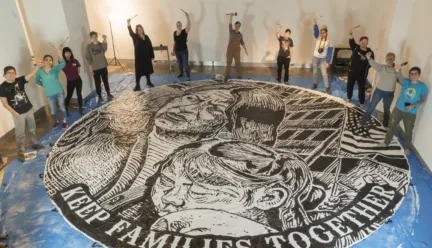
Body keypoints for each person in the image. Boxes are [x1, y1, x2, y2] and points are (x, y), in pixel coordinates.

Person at [379, 66, 428, 156]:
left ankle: (406, 147)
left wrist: (413, 106)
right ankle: (386, 142)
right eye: (411, 73)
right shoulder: (406, 81)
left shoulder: (422, 86)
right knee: (392, 125)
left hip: (411, 112)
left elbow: (423, 99)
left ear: (419, 75)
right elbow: (400, 78)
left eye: (415, 74)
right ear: (409, 75)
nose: (413, 75)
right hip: (398, 109)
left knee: (408, 131)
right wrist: (398, 71)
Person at [0, 63, 45, 162]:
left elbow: (31, 73)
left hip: (29, 109)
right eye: (9, 73)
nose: (11, 74)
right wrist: (15, 113)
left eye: (13, 72)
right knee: (20, 134)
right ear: (4, 75)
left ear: (15, 74)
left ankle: (34, 143)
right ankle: (20, 152)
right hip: (18, 114)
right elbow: (4, 103)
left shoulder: (20, 80)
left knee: (32, 128)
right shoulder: (2, 87)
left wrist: (37, 66)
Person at [361, 52, 398, 127]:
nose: (389, 60)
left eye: (391, 58)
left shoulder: (396, 70)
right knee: (371, 106)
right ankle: (363, 122)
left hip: (390, 93)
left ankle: (385, 124)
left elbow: (400, 79)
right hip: (379, 91)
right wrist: (369, 58)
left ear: (394, 59)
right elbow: (374, 64)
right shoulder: (382, 67)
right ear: (385, 60)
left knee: (386, 109)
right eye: (388, 59)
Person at [36, 50, 68, 128]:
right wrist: (45, 85)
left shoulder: (55, 69)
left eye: (50, 60)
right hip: (49, 93)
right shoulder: (40, 71)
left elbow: (63, 64)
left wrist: (60, 55)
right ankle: (57, 121)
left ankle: (64, 121)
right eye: (46, 60)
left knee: (62, 107)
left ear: (52, 62)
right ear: (43, 61)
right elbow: (37, 81)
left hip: (59, 91)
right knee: (53, 110)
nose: (48, 61)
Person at [347, 29, 374, 108]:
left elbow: (371, 64)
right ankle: (349, 98)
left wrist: (368, 59)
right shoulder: (356, 48)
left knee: (361, 88)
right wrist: (351, 33)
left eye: (365, 41)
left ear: (367, 43)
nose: (363, 43)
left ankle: (361, 102)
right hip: (352, 72)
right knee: (350, 85)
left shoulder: (370, 52)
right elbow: (351, 42)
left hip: (362, 74)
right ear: (360, 42)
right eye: (362, 41)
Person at [127, 19, 155, 91]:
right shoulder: (135, 37)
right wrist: (128, 24)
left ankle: (148, 82)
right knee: (138, 71)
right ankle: (137, 85)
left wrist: (152, 56)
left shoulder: (147, 37)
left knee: (147, 70)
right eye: (138, 29)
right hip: (139, 58)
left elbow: (150, 46)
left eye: (141, 29)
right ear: (137, 30)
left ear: (143, 29)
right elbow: (130, 32)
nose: (140, 30)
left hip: (147, 57)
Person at [86, 31, 114, 102]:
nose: (94, 38)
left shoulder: (101, 45)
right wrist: (90, 69)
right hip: (95, 68)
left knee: (106, 81)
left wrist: (104, 39)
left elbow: (105, 49)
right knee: (97, 83)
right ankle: (100, 96)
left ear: (97, 37)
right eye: (93, 37)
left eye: (95, 36)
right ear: (90, 38)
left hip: (103, 66)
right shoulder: (89, 47)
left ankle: (108, 93)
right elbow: (89, 58)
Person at [224, 13, 248, 82]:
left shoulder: (240, 35)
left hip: (237, 51)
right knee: (228, 63)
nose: (237, 27)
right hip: (230, 50)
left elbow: (242, 42)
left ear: (240, 26)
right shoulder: (231, 31)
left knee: (238, 63)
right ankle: (227, 75)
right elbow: (229, 24)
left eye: (238, 26)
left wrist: (246, 50)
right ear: (234, 26)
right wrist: (231, 16)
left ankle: (239, 76)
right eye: (236, 25)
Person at [312, 17, 332, 94]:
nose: (322, 34)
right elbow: (316, 31)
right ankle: (315, 83)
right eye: (321, 33)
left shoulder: (329, 41)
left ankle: (327, 87)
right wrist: (315, 23)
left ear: (326, 33)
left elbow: (329, 52)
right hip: (315, 57)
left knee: (324, 73)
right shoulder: (318, 37)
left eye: (323, 32)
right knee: (315, 72)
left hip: (323, 59)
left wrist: (327, 62)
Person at [62, 47, 84, 115]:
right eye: (66, 53)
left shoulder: (75, 61)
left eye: (69, 52)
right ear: (63, 54)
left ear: (71, 53)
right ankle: (65, 109)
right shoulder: (63, 63)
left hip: (78, 80)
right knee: (69, 95)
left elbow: (78, 71)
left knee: (79, 94)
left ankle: (80, 109)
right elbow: (59, 59)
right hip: (70, 82)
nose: (68, 54)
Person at [172, 9, 191, 81]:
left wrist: (188, 17)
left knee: (185, 65)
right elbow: (174, 41)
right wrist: (172, 49)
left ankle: (188, 77)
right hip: (177, 51)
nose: (178, 26)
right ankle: (181, 73)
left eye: (179, 25)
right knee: (180, 64)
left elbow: (189, 26)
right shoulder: (174, 33)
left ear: (181, 25)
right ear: (176, 26)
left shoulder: (184, 31)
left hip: (184, 51)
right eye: (177, 25)